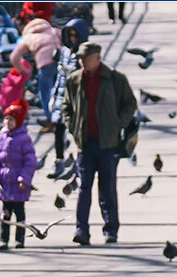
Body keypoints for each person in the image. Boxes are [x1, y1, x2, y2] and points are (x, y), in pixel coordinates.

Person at [62, 41, 137, 245]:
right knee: (83, 188)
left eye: (85, 58)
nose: (81, 62)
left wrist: (117, 124)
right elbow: (66, 106)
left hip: (108, 143)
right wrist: (73, 126)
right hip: (85, 144)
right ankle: (81, 230)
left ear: (97, 57)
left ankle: (111, 230)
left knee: (108, 188)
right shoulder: (74, 80)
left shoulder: (115, 79)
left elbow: (130, 103)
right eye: (79, 58)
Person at [0, 100, 37, 250]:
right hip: (4, 183)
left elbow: (30, 161)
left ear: (18, 122)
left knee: (19, 213)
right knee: (5, 213)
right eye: (6, 118)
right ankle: (4, 238)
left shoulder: (23, 139)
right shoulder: (0, 138)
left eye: (12, 119)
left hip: (18, 182)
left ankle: (19, 239)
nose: (8, 122)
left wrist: (24, 178)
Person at [47, 17, 90, 179]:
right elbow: (59, 77)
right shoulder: (64, 51)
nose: (72, 39)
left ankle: (83, 161)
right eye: (70, 35)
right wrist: (53, 95)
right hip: (62, 95)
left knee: (79, 130)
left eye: (75, 36)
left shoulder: (84, 53)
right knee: (58, 127)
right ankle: (59, 160)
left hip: (78, 97)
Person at [10, 16, 62, 133]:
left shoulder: (28, 37)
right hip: (59, 62)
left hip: (45, 66)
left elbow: (14, 57)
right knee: (58, 93)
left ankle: (52, 121)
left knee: (45, 95)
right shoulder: (53, 30)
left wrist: (23, 70)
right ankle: (59, 119)